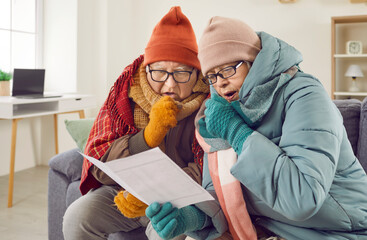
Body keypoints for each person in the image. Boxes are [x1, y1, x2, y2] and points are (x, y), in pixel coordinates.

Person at [191, 16, 367, 239]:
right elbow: (225, 197)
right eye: (212, 75)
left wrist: (237, 133)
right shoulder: (219, 113)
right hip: (270, 232)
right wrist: (194, 217)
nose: (220, 83)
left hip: (336, 232)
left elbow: (303, 198)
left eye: (228, 69)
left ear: (255, 62)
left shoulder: (306, 95)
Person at [62, 7, 227, 240]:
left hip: (177, 201)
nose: (169, 85)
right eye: (159, 72)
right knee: (77, 216)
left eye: (181, 73)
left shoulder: (210, 104)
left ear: (196, 72)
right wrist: (148, 136)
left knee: (168, 233)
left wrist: (154, 193)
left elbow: (209, 171)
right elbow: (100, 165)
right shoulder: (124, 94)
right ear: (146, 69)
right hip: (122, 193)